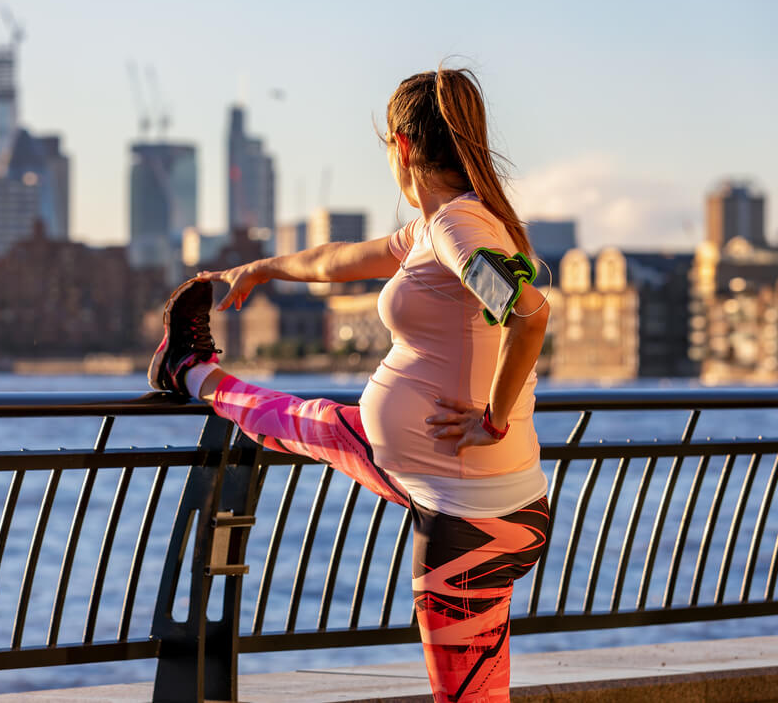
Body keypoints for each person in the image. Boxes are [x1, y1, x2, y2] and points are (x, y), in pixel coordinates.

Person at [147, 67, 550, 702]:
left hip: (469, 517)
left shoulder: (457, 230)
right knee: (308, 422)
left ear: (402, 146)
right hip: (454, 487)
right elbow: (338, 260)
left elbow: (528, 314)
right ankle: (190, 369)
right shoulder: (437, 228)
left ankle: (189, 370)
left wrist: (492, 420)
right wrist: (262, 268)